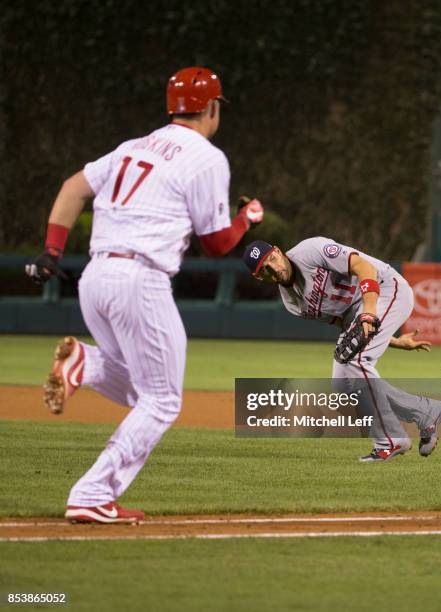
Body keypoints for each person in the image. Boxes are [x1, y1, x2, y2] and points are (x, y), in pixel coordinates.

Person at [25, 66, 264, 523]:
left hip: (96, 278)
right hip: (140, 278)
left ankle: (87, 363)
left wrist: (52, 250)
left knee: (142, 391)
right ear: (212, 108)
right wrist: (246, 221)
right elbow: (215, 244)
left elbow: (72, 187)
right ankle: (92, 493)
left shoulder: (133, 147)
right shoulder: (206, 156)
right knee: (163, 400)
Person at [242, 238, 441, 462]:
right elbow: (344, 324)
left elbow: (363, 267)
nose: (274, 268)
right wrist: (393, 340)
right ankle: (425, 412)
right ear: (259, 277)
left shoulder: (310, 251)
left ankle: (390, 439)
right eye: (265, 269)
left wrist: (369, 314)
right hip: (361, 315)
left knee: (356, 360)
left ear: (278, 251)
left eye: (272, 259)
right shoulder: (293, 303)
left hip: (387, 288)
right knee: (343, 385)